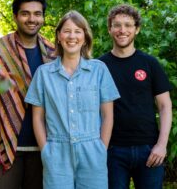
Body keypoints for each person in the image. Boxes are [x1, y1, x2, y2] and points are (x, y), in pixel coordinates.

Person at [25, 10, 120, 189]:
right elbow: (37, 117)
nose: (72, 36)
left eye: (78, 31)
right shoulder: (43, 74)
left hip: (92, 151)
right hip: (56, 152)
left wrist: (101, 148)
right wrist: (46, 150)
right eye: (67, 31)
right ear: (59, 36)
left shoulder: (99, 70)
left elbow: (108, 115)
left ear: (85, 37)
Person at [0, 0, 55, 189]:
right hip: (4, 148)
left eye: (37, 14)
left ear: (43, 17)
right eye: (25, 13)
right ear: (15, 16)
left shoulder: (54, 54)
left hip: (44, 149)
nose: (31, 19)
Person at [99, 4, 172, 189]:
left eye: (128, 25)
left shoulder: (149, 63)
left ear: (137, 29)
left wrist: (162, 145)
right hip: (111, 150)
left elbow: (165, 106)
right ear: (109, 29)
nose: (122, 30)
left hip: (149, 149)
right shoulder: (99, 66)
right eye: (117, 25)